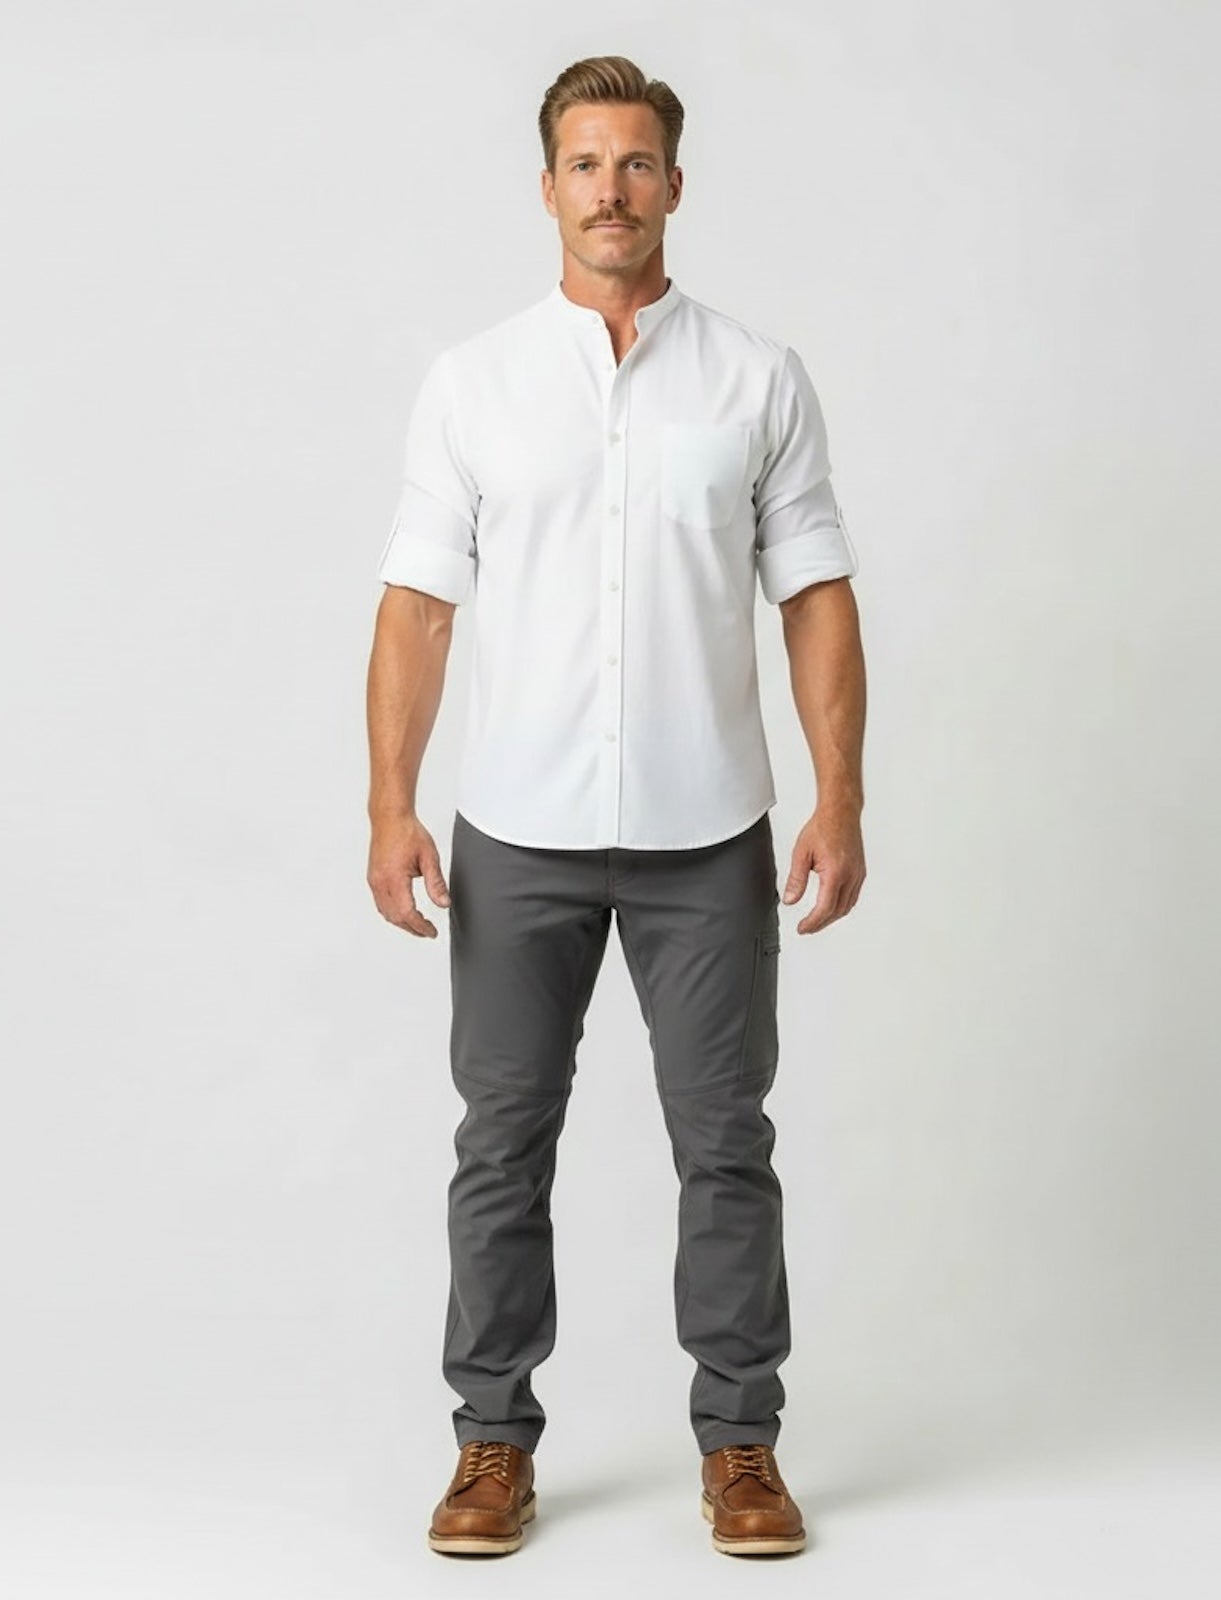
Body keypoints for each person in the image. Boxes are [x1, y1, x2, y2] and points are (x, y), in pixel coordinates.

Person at [365, 54, 867, 1559]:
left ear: (675, 185)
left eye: (636, 162)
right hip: (515, 829)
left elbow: (816, 597)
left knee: (726, 1146)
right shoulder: (474, 385)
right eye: (585, 164)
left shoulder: (757, 379)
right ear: (547, 188)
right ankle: (490, 1441)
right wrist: (391, 804)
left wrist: (840, 796)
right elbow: (417, 609)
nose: (611, 190)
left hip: (706, 833)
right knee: (500, 1143)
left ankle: (741, 1444)